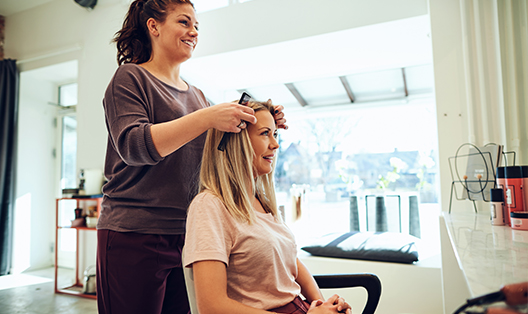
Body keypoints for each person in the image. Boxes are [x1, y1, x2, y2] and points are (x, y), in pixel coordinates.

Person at [96, 1, 286, 313]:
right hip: (133, 235)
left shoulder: (198, 96)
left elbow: (227, 149)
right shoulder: (130, 79)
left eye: (196, 25)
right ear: (153, 26)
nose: (194, 31)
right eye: (184, 22)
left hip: (189, 236)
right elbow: (133, 146)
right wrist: (208, 117)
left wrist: (262, 121)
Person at [184, 100, 351, 314]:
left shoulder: (261, 202)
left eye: (275, 134)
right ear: (237, 141)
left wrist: (322, 306)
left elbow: (291, 263)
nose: (275, 144)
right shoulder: (210, 206)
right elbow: (212, 306)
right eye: (265, 133)